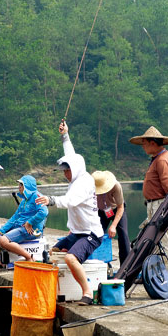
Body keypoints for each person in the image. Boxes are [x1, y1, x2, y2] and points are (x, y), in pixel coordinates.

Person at [35, 121, 104, 305]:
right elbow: (71, 156)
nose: (66, 174)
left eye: (68, 170)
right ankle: (57, 288)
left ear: (76, 169)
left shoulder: (84, 182)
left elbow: (70, 201)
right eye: (64, 171)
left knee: (70, 258)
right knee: (52, 252)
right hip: (77, 233)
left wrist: (51, 200)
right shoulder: (77, 175)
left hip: (91, 234)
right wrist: (65, 135)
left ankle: (87, 293)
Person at [129, 126, 168, 285]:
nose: (143, 147)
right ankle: (147, 273)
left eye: (145, 143)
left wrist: (166, 209)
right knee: (149, 241)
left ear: (153, 143)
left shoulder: (163, 160)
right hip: (155, 205)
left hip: (160, 205)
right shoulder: (158, 158)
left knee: (166, 241)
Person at [0, 175, 48, 262]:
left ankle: (29, 257)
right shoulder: (24, 200)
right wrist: (2, 230)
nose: (19, 187)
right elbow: (15, 217)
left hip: (32, 230)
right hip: (20, 226)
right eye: (19, 185)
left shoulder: (37, 196)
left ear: (27, 186)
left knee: (3, 240)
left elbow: (44, 212)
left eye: (21, 185)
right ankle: (3, 258)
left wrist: (30, 222)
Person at [92, 171, 131, 265]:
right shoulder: (90, 187)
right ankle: (100, 263)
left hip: (116, 209)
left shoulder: (116, 186)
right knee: (96, 235)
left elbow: (120, 207)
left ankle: (125, 267)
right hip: (101, 211)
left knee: (123, 236)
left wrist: (113, 226)